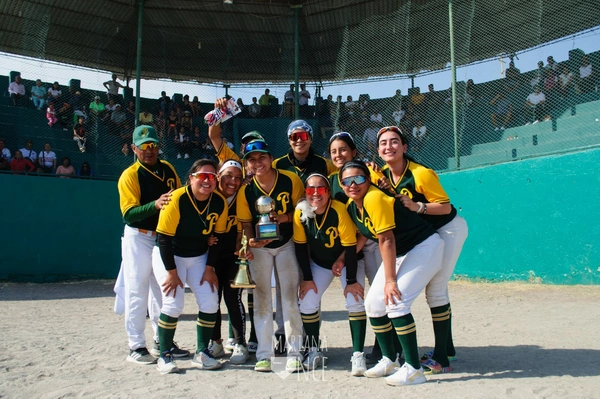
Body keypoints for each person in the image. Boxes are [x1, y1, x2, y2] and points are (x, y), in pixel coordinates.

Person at [339, 160, 445, 386]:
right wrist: (342, 260)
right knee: (373, 305)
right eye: (347, 180)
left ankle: (415, 369)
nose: (353, 184)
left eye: (359, 178)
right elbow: (367, 234)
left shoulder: (373, 197)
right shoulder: (352, 204)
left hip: (424, 246)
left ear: (368, 180)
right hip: (403, 251)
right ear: (341, 184)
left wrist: (390, 281)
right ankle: (390, 359)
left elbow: (386, 239)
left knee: (395, 301)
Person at [378, 126, 468, 373]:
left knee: (436, 289)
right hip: (425, 235)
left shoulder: (420, 173)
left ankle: (441, 358)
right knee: (437, 289)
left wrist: (418, 206)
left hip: (447, 229)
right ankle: (447, 348)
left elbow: (447, 208)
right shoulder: (383, 175)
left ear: (404, 147)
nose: (389, 147)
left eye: (394, 142)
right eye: (383, 143)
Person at [117, 125, 188, 366]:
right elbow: (128, 214)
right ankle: (136, 345)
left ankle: (162, 341)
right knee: (137, 291)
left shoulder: (167, 168)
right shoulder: (130, 175)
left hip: (162, 237)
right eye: (144, 146)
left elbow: (179, 198)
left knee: (162, 289)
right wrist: (154, 205)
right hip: (138, 235)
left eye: (153, 145)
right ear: (134, 148)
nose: (149, 150)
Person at [152, 159, 229, 374]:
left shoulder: (219, 202)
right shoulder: (177, 198)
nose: (207, 181)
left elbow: (218, 236)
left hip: (198, 257)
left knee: (210, 301)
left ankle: (202, 352)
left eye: (212, 177)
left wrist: (209, 267)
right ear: (191, 178)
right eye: (202, 176)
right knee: (173, 303)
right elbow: (164, 239)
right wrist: (172, 273)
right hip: (170, 256)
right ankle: (164, 354)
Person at [236, 139, 305, 373]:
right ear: (246, 164)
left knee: (289, 298)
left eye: (262, 157)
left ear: (270, 158)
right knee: (262, 298)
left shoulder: (290, 178)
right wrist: (251, 241)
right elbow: (246, 223)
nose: (258, 163)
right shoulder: (246, 189)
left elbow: (302, 207)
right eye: (252, 160)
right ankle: (264, 354)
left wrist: (283, 218)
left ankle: (295, 352)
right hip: (260, 248)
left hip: (287, 243)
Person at [293, 173, 366, 375]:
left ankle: (358, 354)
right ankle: (314, 350)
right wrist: (307, 279)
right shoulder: (300, 212)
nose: (315, 193)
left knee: (355, 299)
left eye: (321, 189)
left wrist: (351, 281)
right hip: (320, 263)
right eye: (310, 189)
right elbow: (300, 247)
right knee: (307, 300)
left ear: (328, 192)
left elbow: (350, 248)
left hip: (348, 261)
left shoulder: (338, 210)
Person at [206, 159, 251, 365]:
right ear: (218, 176)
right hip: (210, 256)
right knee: (211, 299)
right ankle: (215, 342)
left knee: (232, 297)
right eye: (228, 176)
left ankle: (240, 342)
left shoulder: (244, 196)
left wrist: (245, 248)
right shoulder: (208, 196)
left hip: (234, 255)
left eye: (237, 177)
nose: (233, 181)